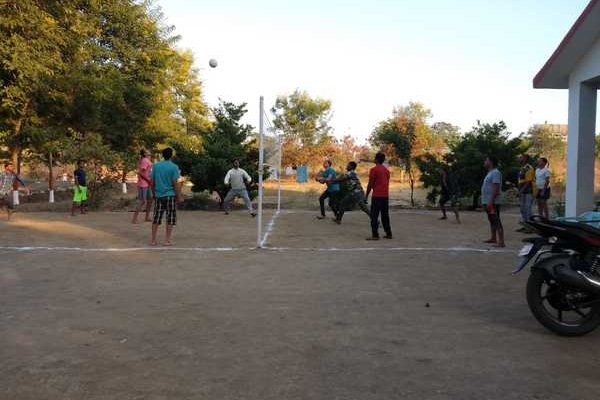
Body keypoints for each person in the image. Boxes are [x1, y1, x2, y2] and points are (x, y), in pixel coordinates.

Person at [150, 147, 183, 246]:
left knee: (156, 218)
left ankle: (153, 240)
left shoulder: (156, 166)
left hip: (159, 195)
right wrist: (179, 196)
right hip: (170, 195)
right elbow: (175, 183)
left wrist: (154, 193)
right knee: (170, 218)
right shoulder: (174, 167)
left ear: (162, 155)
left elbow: (152, 182)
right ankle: (167, 240)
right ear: (171, 155)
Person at [365, 152, 392, 240]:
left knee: (374, 215)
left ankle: (375, 235)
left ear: (376, 159)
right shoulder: (386, 171)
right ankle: (388, 233)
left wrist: (366, 195)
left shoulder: (374, 170)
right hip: (385, 196)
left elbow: (370, 184)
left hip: (377, 196)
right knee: (385, 216)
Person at [481, 155, 505, 248]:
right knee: (491, 219)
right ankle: (493, 237)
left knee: (496, 220)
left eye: (486, 160)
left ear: (490, 162)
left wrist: (491, 201)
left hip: (493, 202)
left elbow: (496, 187)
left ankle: (501, 241)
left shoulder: (495, 173)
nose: (484, 162)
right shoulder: (490, 173)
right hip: (489, 201)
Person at [132, 149, 153, 224]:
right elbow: (141, 173)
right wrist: (148, 180)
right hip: (143, 184)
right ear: (144, 153)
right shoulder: (145, 160)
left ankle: (147, 217)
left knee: (150, 199)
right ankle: (134, 218)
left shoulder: (147, 160)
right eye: (147, 151)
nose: (149, 151)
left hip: (147, 184)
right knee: (142, 201)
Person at [517, 154, 535, 232]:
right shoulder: (522, 168)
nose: (519, 159)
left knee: (528, 208)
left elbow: (529, 181)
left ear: (526, 159)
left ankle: (531, 227)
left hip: (528, 191)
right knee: (522, 209)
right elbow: (521, 180)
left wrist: (521, 191)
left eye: (521, 158)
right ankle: (525, 224)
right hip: (523, 191)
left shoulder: (529, 168)